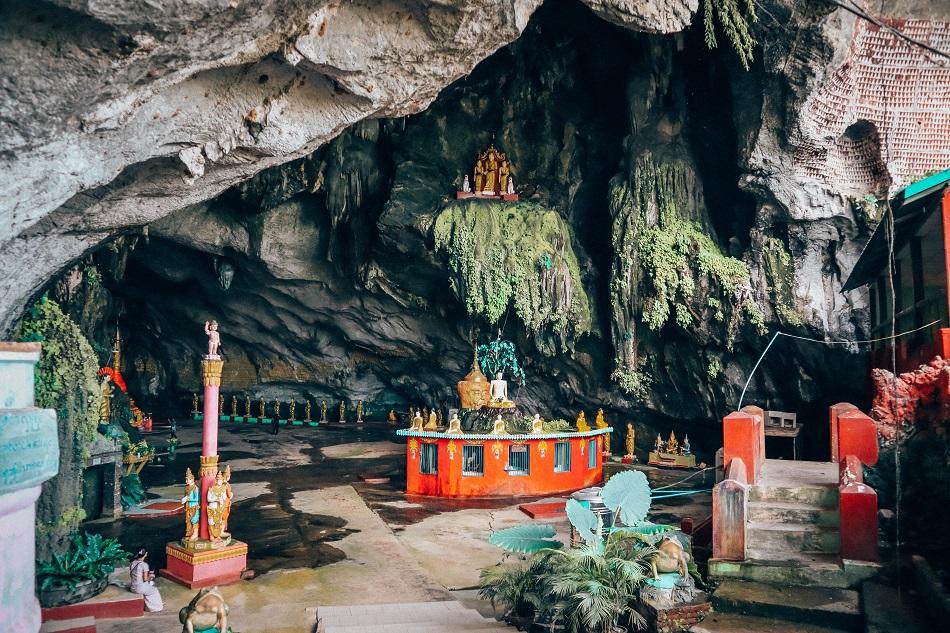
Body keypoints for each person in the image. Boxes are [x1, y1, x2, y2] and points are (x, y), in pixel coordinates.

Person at [130, 547, 164, 612]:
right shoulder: (144, 565)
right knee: (154, 590)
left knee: (150, 585)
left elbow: (135, 575)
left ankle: (151, 605)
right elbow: (145, 579)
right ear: (146, 554)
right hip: (139, 588)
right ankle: (155, 607)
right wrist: (151, 576)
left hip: (133, 587)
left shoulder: (133, 563)